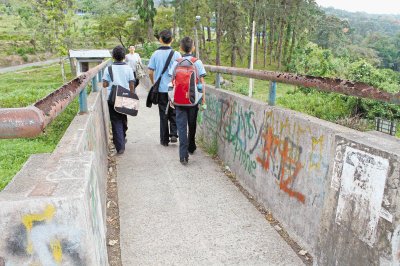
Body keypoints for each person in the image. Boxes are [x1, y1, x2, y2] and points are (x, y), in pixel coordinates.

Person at [169, 37, 206, 165]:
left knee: (181, 127)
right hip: (193, 100)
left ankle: (183, 155)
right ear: (193, 48)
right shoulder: (197, 62)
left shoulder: (176, 62)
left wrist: (171, 99)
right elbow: (201, 83)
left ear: (180, 48)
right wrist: (203, 99)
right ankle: (191, 146)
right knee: (192, 124)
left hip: (178, 101)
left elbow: (171, 82)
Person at [148, 29, 181, 146]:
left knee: (163, 113)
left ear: (160, 40)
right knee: (174, 111)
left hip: (161, 89)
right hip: (174, 89)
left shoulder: (155, 54)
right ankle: (173, 134)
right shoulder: (177, 54)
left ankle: (164, 140)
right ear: (172, 40)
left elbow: (150, 72)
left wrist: (154, 83)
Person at [103, 45, 135, 155]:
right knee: (123, 117)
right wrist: (132, 94)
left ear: (113, 56)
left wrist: (108, 82)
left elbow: (104, 84)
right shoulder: (128, 68)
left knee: (115, 120)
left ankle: (120, 146)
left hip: (112, 98)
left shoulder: (108, 69)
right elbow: (131, 83)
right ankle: (123, 136)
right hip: (125, 96)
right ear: (123, 56)